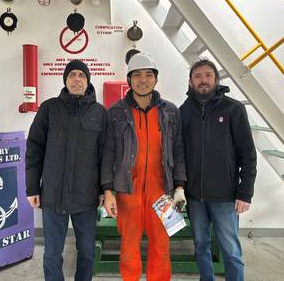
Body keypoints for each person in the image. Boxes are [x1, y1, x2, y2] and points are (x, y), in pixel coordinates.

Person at [101, 53, 187, 281]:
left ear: (156, 80)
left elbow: (178, 150)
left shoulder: (170, 112)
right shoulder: (116, 112)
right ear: (129, 80)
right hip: (127, 193)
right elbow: (108, 152)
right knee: (129, 250)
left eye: (149, 75)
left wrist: (179, 186)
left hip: (162, 194)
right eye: (137, 75)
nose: (143, 80)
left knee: (161, 248)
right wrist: (108, 191)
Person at [25, 59, 107, 281]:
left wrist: (104, 190)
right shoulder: (49, 109)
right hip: (53, 195)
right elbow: (34, 149)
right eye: (72, 75)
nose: (77, 79)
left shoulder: (99, 113)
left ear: (88, 80)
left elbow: (105, 155)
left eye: (82, 75)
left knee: (88, 253)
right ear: (65, 80)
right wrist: (32, 188)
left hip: (86, 197)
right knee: (52, 254)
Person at [179, 59, 257, 281]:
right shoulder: (184, 111)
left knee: (230, 250)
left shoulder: (234, 109)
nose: (203, 80)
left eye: (207, 75)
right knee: (201, 246)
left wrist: (245, 193)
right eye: (198, 76)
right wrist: (180, 188)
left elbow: (248, 154)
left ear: (216, 79)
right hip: (195, 198)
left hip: (225, 198)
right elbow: (181, 153)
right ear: (191, 82)